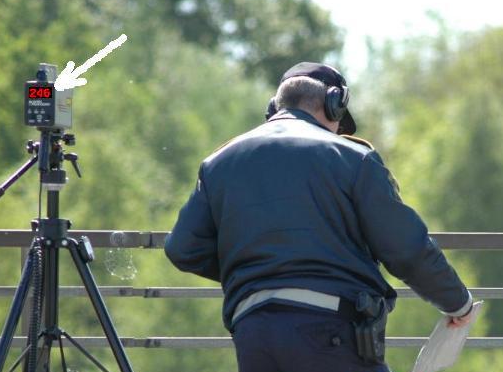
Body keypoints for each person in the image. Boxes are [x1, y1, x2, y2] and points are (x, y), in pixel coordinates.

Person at [164, 62, 474, 372]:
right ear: (333, 104)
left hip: (253, 332)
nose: (340, 131)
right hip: (331, 330)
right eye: (340, 122)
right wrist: (457, 302)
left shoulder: (218, 163)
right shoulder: (353, 158)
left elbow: (182, 248)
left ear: (274, 106)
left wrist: (256, 267)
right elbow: (406, 248)